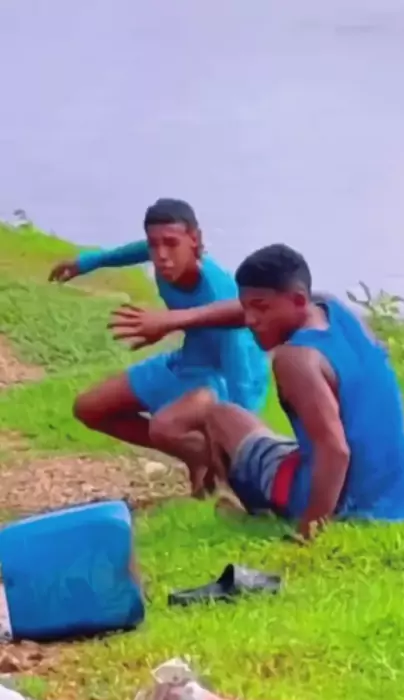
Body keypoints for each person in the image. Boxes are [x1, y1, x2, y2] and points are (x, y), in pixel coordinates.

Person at [204, 243, 404, 542]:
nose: (250, 320)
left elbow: (335, 451)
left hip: (352, 504)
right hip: (401, 491)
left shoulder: (295, 359)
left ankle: (250, 511)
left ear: (298, 300)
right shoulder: (336, 311)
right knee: (288, 439)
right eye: (246, 308)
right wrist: (174, 321)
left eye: (261, 308)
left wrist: (309, 530)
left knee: (221, 417)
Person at [49, 198, 269, 495]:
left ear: (195, 240)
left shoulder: (218, 291)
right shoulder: (163, 258)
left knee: (165, 427)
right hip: (187, 361)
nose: (161, 256)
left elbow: (240, 363)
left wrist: (244, 436)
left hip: (223, 376)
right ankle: (199, 454)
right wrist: (87, 262)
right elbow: (137, 251)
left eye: (171, 243)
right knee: (89, 409)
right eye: (155, 245)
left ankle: (221, 466)